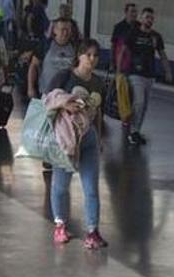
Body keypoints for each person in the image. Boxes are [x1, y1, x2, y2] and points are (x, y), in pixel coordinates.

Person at [46, 38, 108, 250]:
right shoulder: (65, 77)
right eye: (88, 55)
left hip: (88, 138)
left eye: (95, 55)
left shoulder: (98, 82)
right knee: (61, 185)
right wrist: (65, 104)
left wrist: (99, 136)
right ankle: (60, 224)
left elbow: (99, 112)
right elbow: (47, 100)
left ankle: (92, 231)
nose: (92, 59)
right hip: (66, 140)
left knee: (91, 187)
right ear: (79, 56)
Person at [120, 6, 170, 145]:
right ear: (141, 18)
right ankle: (132, 131)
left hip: (149, 75)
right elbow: (123, 51)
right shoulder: (133, 34)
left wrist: (168, 71)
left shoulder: (156, 37)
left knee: (144, 105)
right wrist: (119, 69)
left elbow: (162, 55)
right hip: (135, 74)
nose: (149, 20)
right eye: (147, 17)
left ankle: (136, 130)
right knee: (139, 102)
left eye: (152, 18)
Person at [27, 15, 72, 100]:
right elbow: (33, 66)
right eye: (62, 29)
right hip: (46, 94)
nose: (65, 33)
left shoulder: (74, 47)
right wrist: (30, 88)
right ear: (55, 30)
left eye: (68, 29)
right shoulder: (45, 45)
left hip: (66, 95)